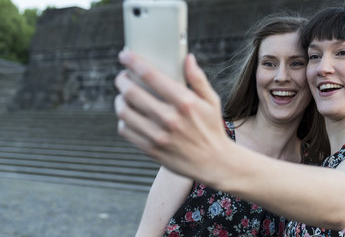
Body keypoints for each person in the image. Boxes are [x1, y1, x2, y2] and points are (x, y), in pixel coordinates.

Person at [116, 6, 345, 236]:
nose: (323, 68)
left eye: (343, 53)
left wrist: (218, 160)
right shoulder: (327, 161)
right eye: (315, 56)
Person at [115, 15, 328, 236]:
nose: (281, 76)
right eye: (269, 63)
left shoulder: (318, 165)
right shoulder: (202, 137)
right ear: (254, 72)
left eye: (296, 63)